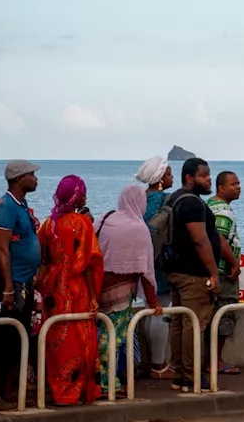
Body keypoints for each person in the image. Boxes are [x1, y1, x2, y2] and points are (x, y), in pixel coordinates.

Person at [37, 175, 105, 405]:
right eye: (83, 192)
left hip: (55, 291)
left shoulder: (49, 223)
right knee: (80, 340)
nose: (85, 197)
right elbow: (90, 263)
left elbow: (41, 256)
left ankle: (60, 389)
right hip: (77, 289)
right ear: (76, 196)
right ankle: (79, 390)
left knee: (57, 339)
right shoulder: (81, 223)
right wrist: (94, 296)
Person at [0, 159, 42, 411]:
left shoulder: (20, 204)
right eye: (31, 175)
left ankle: (8, 391)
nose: (36, 178)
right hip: (9, 282)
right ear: (19, 179)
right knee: (1, 337)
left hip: (23, 281)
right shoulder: (6, 206)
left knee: (16, 337)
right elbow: (1, 249)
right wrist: (8, 287)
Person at [164, 158, 226, 391]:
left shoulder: (175, 198)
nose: (209, 179)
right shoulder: (192, 204)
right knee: (193, 325)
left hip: (177, 271)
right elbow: (200, 241)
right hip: (193, 275)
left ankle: (180, 375)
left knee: (180, 323)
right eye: (204, 175)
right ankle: (191, 376)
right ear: (190, 178)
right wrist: (214, 273)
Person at [94, 184, 162, 397]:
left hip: (96, 288)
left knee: (98, 336)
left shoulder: (105, 218)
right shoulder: (138, 228)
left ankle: (97, 382)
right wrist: (153, 303)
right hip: (122, 295)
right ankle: (109, 384)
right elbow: (146, 270)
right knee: (113, 339)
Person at [135, 155, 176, 380]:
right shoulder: (167, 200)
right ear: (160, 179)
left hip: (144, 261)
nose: (172, 178)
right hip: (163, 263)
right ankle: (158, 365)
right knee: (161, 312)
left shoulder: (139, 200)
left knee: (150, 311)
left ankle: (150, 361)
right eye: (169, 174)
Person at [207, 171, 243, 375]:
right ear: (221, 188)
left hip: (213, 271)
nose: (238, 187)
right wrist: (234, 263)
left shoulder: (210, 205)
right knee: (224, 315)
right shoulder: (223, 211)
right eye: (234, 184)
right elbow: (220, 239)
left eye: (238, 183)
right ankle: (215, 361)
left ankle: (210, 360)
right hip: (222, 272)